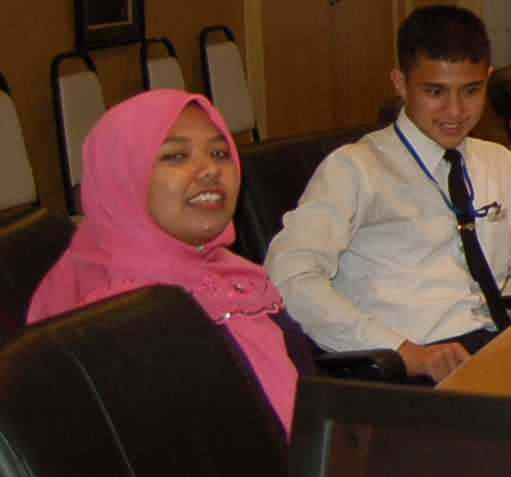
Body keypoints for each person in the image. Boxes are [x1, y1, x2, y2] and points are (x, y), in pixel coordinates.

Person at [266, 6, 511, 384]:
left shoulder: (498, 162)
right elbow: (288, 276)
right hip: (405, 365)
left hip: (489, 345)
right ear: (400, 83)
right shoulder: (356, 169)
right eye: (435, 92)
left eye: (471, 91)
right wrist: (401, 351)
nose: (454, 111)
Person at [29, 90, 317, 434]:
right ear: (122, 177)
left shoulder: (236, 278)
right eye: (176, 156)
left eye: (219, 152)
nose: (210, 169)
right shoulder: (117, 321)